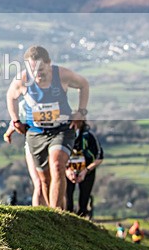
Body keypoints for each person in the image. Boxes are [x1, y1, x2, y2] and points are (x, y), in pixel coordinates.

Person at [6, 45, 89, 210]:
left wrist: (81, 111)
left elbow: (84, 85)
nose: (37, 73)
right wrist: (15, 121)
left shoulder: (62, 75)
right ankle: (52, 213)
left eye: (41, 69)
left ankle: (57, 214)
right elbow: (10, 96)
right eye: (32, 69)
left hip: (62, 129)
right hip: (36, 133)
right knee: (44, 180)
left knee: (57, 165)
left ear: (49, 63)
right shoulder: (22, 80)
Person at [65, 121, 104, 218]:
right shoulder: (63, 136)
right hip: (67, 171)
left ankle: (83, 219)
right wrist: (67, 170)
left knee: (84, 201)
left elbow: (99, 157)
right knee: (67, 202)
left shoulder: (89, 136)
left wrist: (86, 171)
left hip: (87, 171)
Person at [4, 123, 47, 207]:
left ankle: (59, 213)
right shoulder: (28, 110)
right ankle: (39, 215)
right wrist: (8, 133)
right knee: (39, 183)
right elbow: (16, 120)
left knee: (55, 182)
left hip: (53, 141)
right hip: (32, 145)